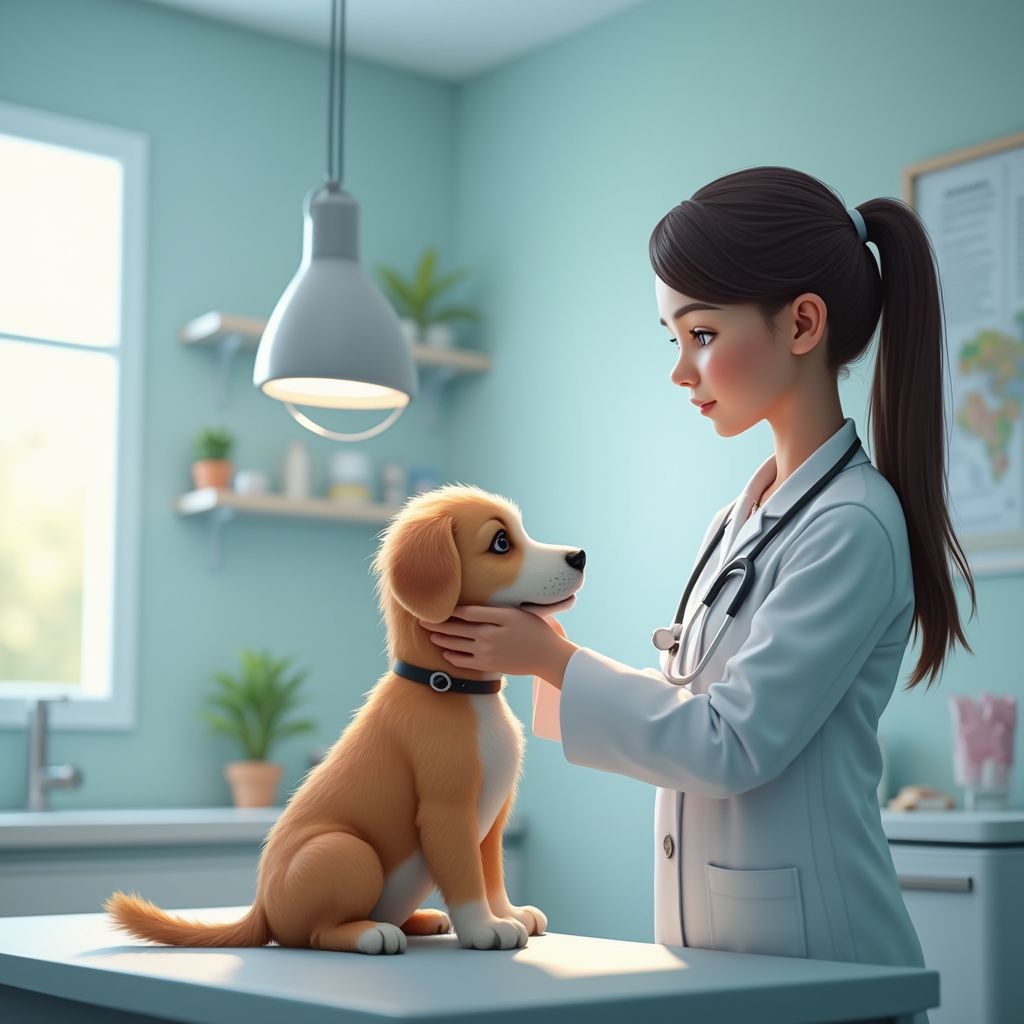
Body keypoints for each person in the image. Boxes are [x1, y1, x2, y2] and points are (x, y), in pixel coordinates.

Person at [421, 166, 976, 1024]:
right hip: (727, 958)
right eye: (672, 338)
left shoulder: (853, 526)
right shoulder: (741, 518)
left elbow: (731, 742)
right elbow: (693, 702)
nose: (682, 370)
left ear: (803, 323)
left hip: (824, 962)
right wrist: (542, 654)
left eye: (703, 333)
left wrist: (556, 662)